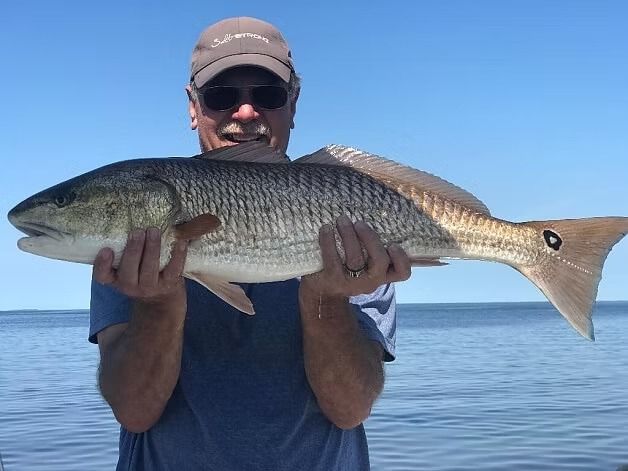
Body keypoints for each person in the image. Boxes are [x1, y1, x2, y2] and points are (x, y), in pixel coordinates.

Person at [90, 16, 411, 470]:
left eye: (268, 95)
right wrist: (159, 305)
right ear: (193, 106)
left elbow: (350, 408)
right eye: (222, 96)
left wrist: (325, 297)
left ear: (293, 103)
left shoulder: (350, 218)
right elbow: (135, 412)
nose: (245, 113)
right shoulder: (132, 245)